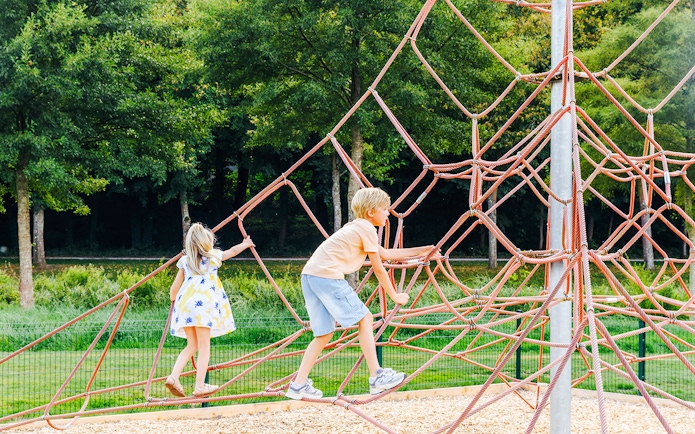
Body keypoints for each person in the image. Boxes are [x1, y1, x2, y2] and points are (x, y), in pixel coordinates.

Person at [286, 187, 439, 400]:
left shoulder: (356, 227)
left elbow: (385, 254)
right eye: (384, 209)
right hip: (328, 276)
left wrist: (421, 250)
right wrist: (395, 296)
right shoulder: (367, 228)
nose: (388, 213)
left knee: (324, 334)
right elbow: (379, 267)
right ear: (371, 212)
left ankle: (298, 384)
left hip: (311, 276)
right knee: (365, 318)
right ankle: (377, 376)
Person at [165, 223, 254, 398]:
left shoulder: (185, 261)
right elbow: (232, 251)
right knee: (204, 346)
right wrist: (245, 244)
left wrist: (173, 300)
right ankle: (199, 386)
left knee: (192, 345)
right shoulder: (213, 257)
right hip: (203, 306)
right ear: (207, 243)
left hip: (185, 305)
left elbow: (173, 290)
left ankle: (174, 377)